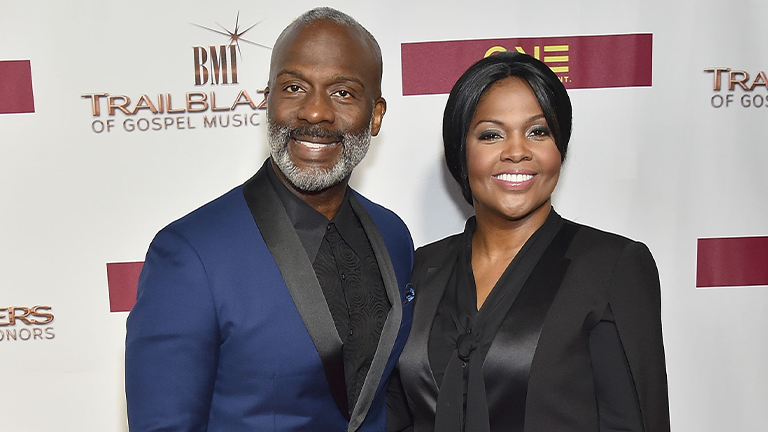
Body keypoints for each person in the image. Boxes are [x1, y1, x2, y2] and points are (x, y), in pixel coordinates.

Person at [125, 7, 415, 431]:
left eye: (343, 93)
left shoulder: (393, 235)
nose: (314, 112)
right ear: (267, 100)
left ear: (376, 115)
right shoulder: (189, 256)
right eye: (294, 87)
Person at [391, 52, 669, 432]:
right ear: (461, 150)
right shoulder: (422, 268)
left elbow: (634, 420)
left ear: (559, 148)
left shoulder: (612, 267)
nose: (517, 151)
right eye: (491, 134)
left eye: (538, 131)